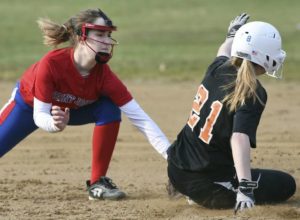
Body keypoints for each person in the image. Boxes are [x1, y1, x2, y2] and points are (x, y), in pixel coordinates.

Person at [0, 8, 170, 201]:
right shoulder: (51, 64)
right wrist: (55, 125)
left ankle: (97, 184)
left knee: (109, 108)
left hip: (70, 111)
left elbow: (141, 119)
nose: (107, 41)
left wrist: (173, 159)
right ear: (81, 36)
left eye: (108, 35)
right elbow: (40, 115)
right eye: (99, 34)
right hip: (27, 106)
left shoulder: (105, 76)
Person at [166, 13, 296, 213]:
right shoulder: (252, 91)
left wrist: (231, 35)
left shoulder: (218, 67)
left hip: (175, 168)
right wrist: (245, 187)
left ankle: (192, 188)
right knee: (286, 184)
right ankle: (203, 195)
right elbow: (239, 138)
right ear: (263, 56)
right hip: (205, 183)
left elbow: (223, 51)